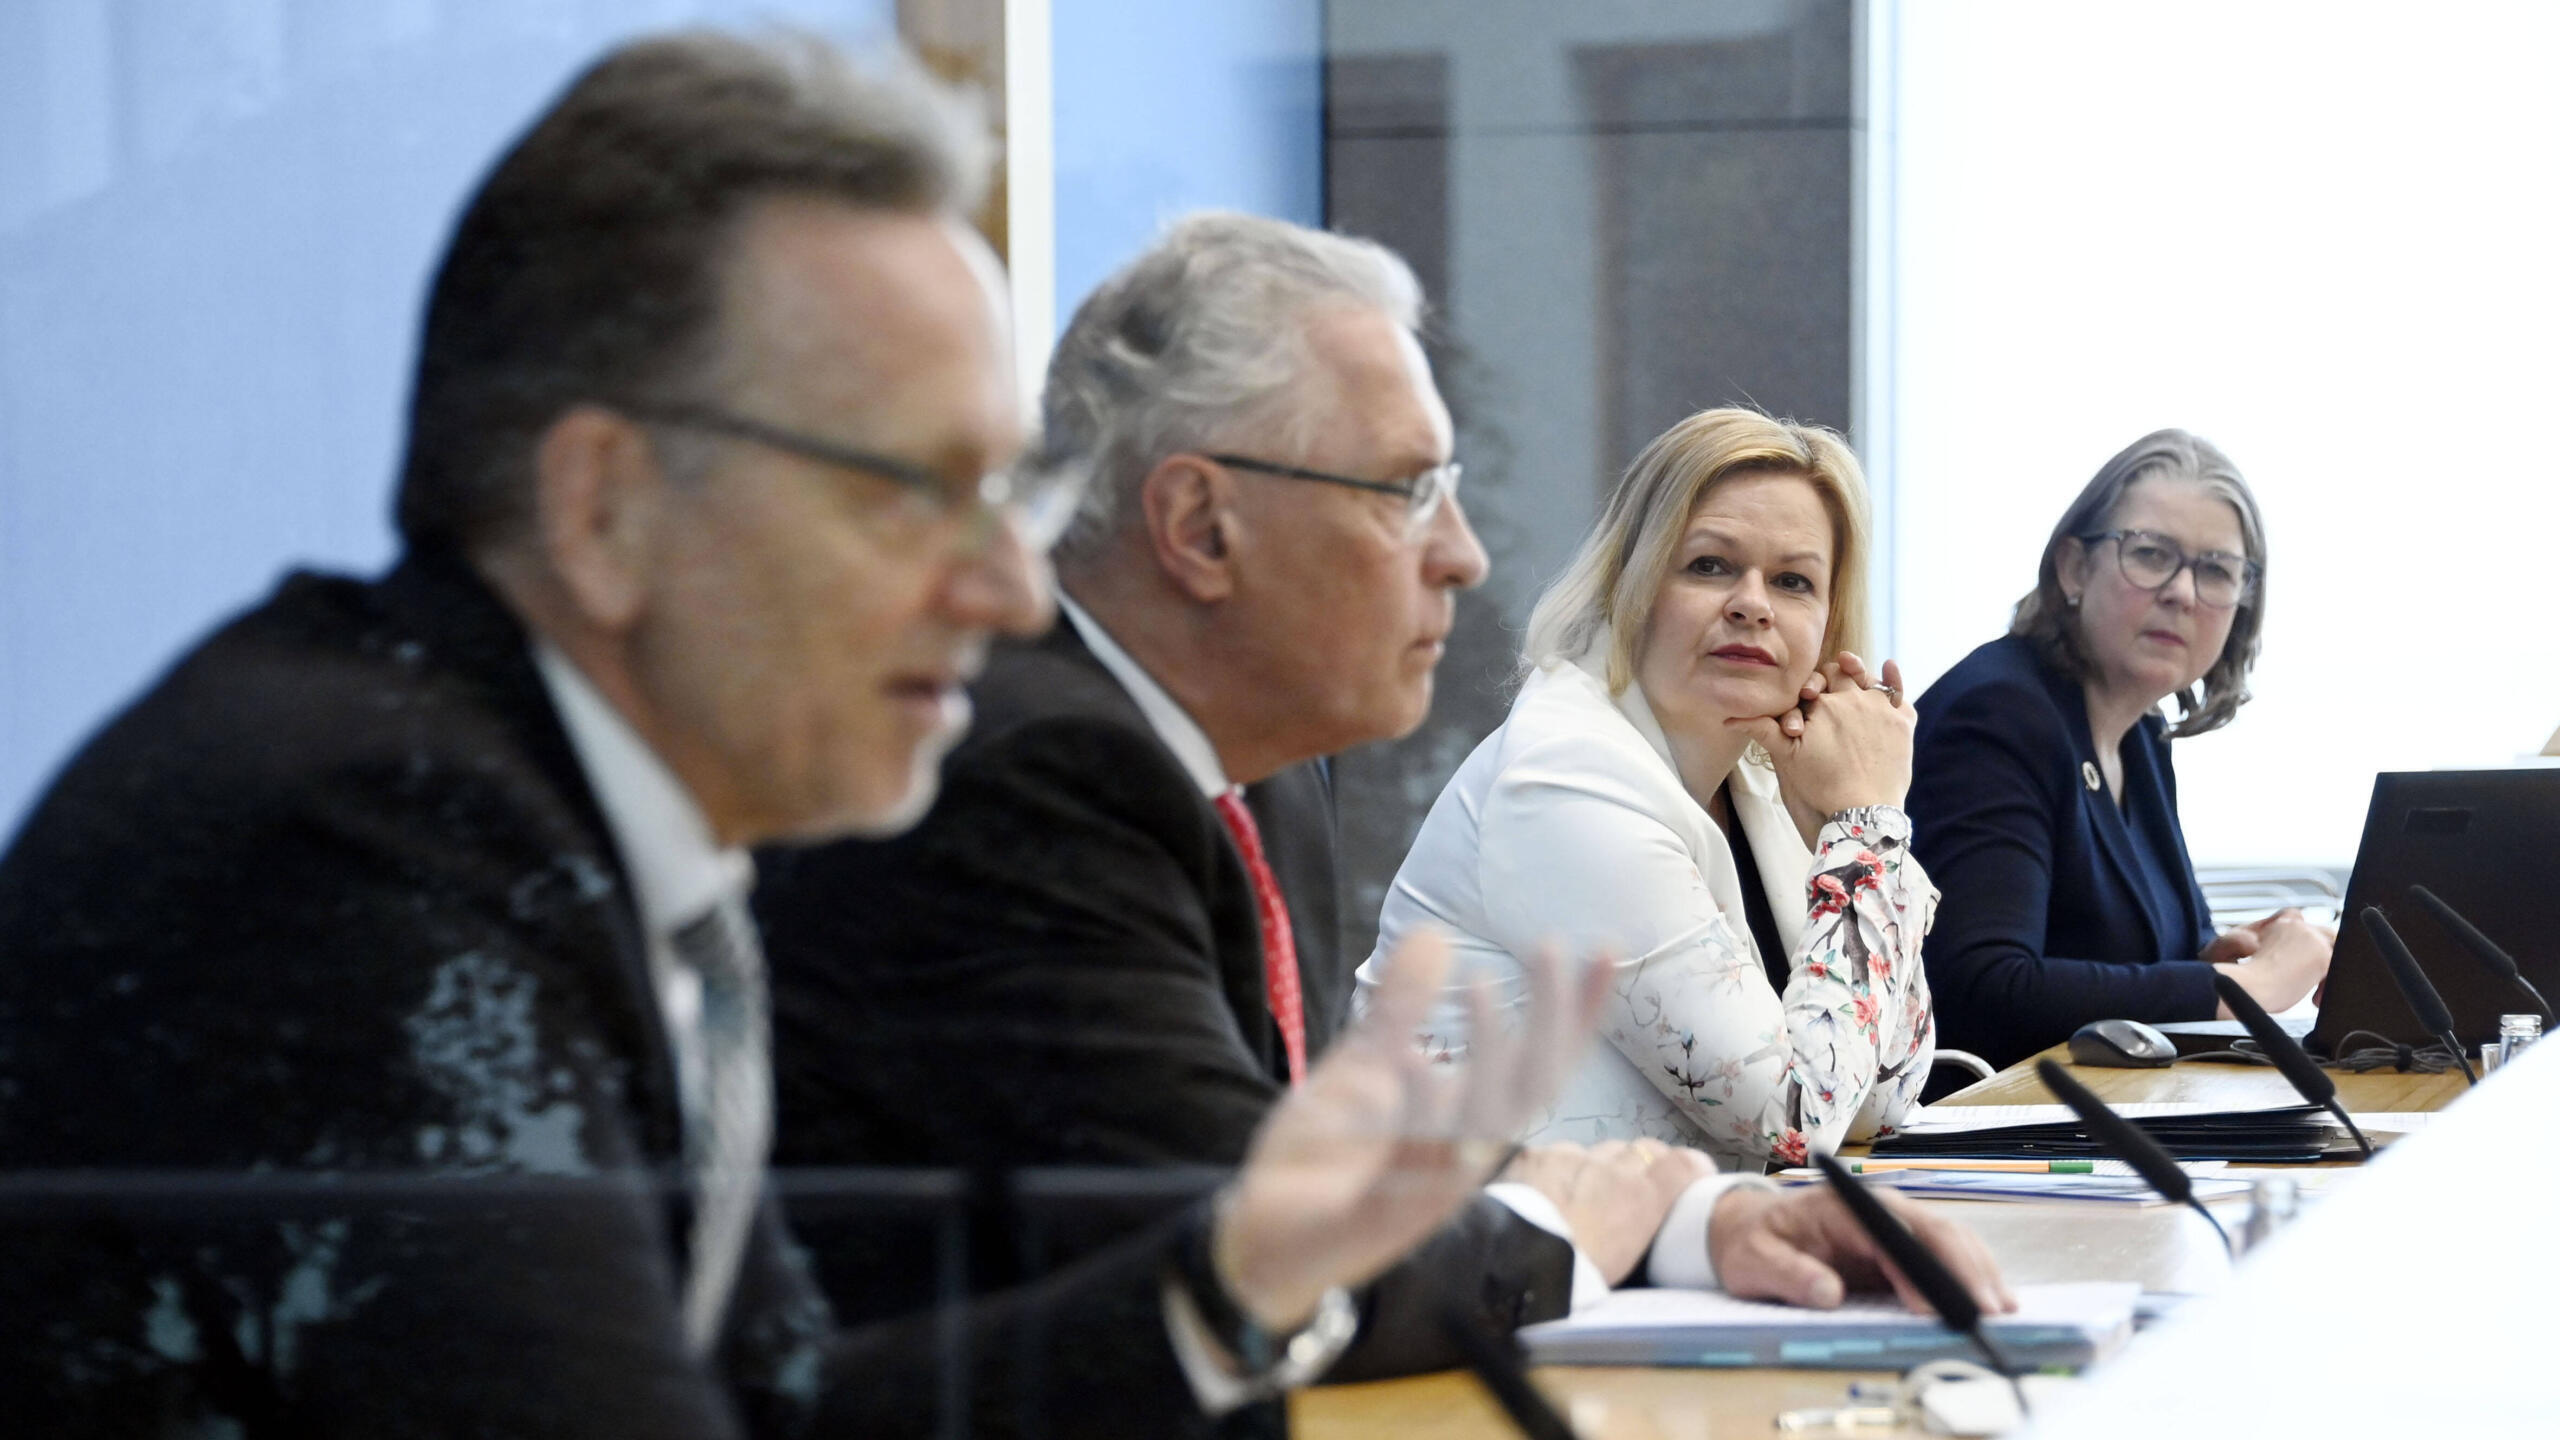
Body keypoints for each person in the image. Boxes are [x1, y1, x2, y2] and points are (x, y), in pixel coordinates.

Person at [0, 34, 1610, 1437]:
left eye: (1012, 492)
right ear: (606, 507)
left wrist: (1235, 1278)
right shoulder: (351, 847)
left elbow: (770, 1409)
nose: (1002, 588)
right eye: (914, 492)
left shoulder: (593, 818)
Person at [755, 236, 2008, 1365]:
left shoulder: (1261, 782)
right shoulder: (1042, 776)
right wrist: (1591, 1226)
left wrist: (1693, 1218)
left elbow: (1291, 1183)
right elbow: (1253, 1249)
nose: (1462, 554)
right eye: (1407, 491)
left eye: (1794, 583)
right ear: (1199, 524)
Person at [1366, 406, 1938, 1170]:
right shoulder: (1565, 779)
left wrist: (1837, 831)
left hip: (1655, 1247)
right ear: (1630, 584)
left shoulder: (1757, 780)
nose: (1752, 602)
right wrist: (1869, 830)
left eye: (1794, 581)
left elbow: (1881, 1098)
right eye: (1709, 566)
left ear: (1829, 628)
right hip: (1474, 1259)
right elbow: (1794, 1124)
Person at [1906, 428, 2332, 1070]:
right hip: (1995, 1145)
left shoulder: (2141, 737)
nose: (2183, 592)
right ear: (2074, 568)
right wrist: (2241, 990)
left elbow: (2143, 953)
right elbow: (1985, 988)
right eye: (2152, 554)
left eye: (2216, 570)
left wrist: (2219, 959)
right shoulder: (1998, 713)